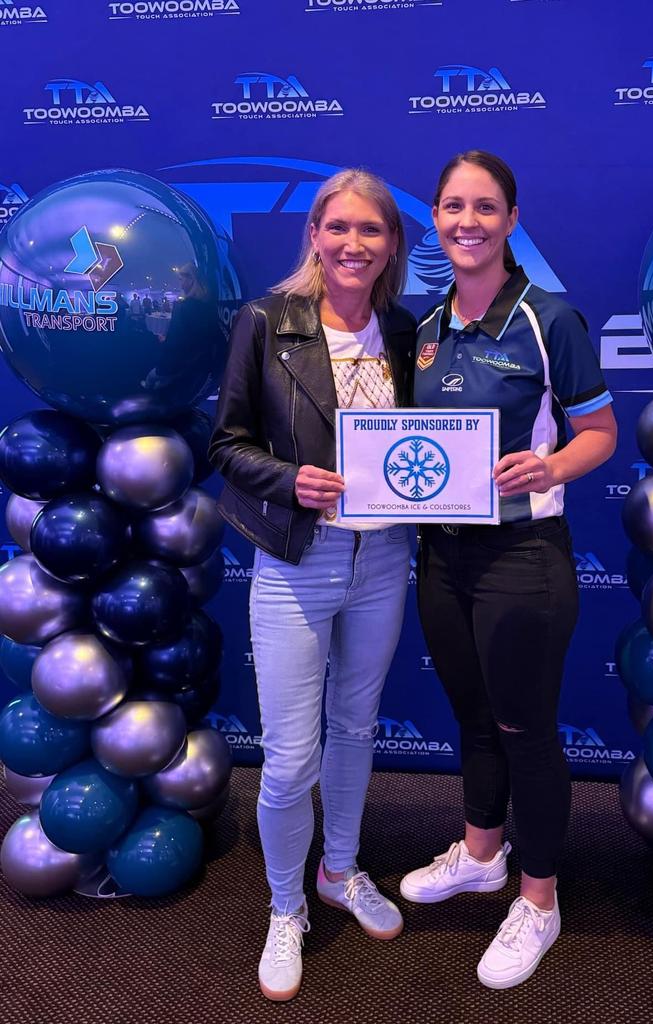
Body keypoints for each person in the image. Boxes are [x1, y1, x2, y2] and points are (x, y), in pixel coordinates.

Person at [400, 151, 617, 989]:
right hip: (441, 555)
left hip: (523, 557)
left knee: (525, 728)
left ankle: (539, 899)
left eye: (484, 208)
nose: (467, 222)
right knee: (476, 718)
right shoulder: (421, 331)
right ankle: (482, 854)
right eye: (452, 207)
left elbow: (599, 434)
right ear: (438, 221)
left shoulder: (548, 319)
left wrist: (551, 468)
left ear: (511, 220)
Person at [208, 169, 415, 1002]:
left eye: (371, 230)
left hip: (386, 559)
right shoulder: (266, 321)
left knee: (356, 726)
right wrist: (287, 479)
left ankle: (339, 870)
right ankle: (285, 906)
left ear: (392, 244)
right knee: (291, 759)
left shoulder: (404, 330)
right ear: (315, 236)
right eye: (338, 229)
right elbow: (224, 444)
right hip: (298, 560)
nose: (353, 245)